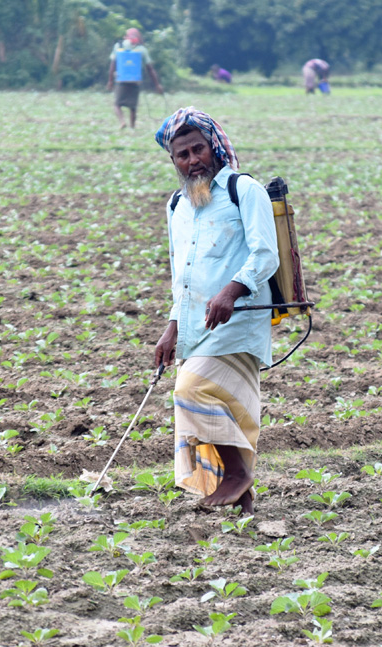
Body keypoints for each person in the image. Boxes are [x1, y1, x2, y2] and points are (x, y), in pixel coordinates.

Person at [153, 107, 279, 515]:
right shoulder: (177, 206)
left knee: (191, 390)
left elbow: (265, 255)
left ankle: (238, 473)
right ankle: (242, 503)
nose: (192, 161)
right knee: (226, 403)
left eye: (198, 149)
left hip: (239, 317)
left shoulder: (245, 189)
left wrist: (230, 292)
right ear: (173, 161)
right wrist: (172, 327)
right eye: (182, 155)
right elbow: (181, 275)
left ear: (215, 148)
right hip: (196, 325)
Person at [107, 28, 163, 129]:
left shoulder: (118, 46)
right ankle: (132, 126)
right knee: (133, 107)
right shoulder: (141, 49)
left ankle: (122, 121)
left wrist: (110, 80)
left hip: (121, 80)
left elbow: (112, 65)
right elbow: (150, 69)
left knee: (117, 104)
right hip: (135, 81)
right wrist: (157, 84)